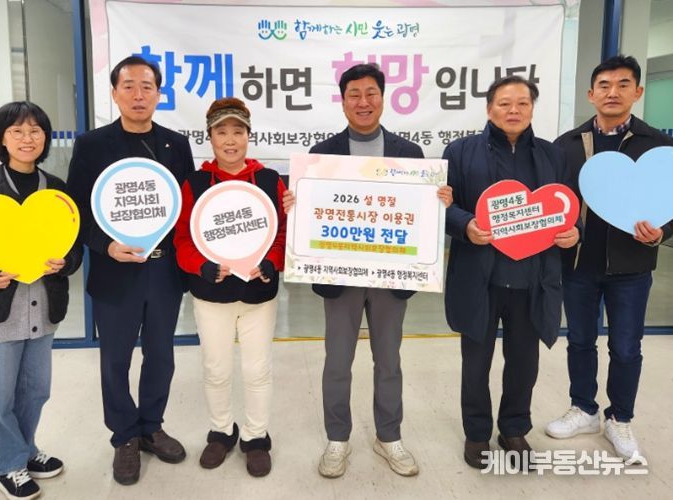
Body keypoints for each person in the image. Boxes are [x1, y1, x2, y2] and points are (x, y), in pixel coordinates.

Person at [283, 63, 452, 478]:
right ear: (343, 101)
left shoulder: (409, 154)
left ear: (383, 97)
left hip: (392, 276)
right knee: (337, 361)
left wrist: (439, 202)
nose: (363, 102)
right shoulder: (322, 153)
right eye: (354, 94)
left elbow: (420, 215)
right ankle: (337, 438)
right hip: (339, 275)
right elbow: (311, 209)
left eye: (371, 93)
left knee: (389, 360)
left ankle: (388, 436)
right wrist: (295, 202)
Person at [66, 56, 195, 485]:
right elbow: (77, 211)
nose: (138, 95)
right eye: (129, 87)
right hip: (115, 270)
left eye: (147, 87)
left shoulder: (177, 144)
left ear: (159, 94)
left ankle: (151, 426)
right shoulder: (92, 145)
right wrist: (106, 245)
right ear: (115, 93)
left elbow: (188, 207)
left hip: (164, 273)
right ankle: (124, 435)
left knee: (161, 354)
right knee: (115, 358)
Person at [443, 75, 579, 470]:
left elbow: (569, 207)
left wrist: (574, 233)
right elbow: (443, 205)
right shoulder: (460, 151)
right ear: (489, 109)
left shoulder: (553, 155)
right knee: (476, 362)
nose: (514, 110)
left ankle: (514, 428)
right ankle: (477, 433)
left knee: (524, 362)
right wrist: (465, 224)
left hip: (532, 279)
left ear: (533, 108)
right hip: (479, 277)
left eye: (522, 103)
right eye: (504, 103)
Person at [545, 55, 673, 460]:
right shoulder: (567, 145)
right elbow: (555, 201)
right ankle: (584, 408)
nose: (612, 92)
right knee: (580, 341)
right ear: (591, 94)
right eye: (604, 85)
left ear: (638, 91)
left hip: (631, 267)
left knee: (626, 346)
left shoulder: (659, 146)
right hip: (578, 264)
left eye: (623, 84)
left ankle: (621, 418)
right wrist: (562, 232)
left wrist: (662, 232)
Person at [0, 101, 82, 499]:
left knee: (35, 390)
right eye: (16, 131)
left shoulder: (56, 189)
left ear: (45, 138)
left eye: (35, 130)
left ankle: (27, 449)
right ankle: (9, 466)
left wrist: (66, 262)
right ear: (1, 138)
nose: (27, 138)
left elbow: (74, 246)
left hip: (43, 309)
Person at [173, 97, 286, 477]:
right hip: (212, 295)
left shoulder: (269, 181)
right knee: (216, 368)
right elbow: (182, 238)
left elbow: (282, 231)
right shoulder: (195, 183)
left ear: (248, 136)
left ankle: (256, 437)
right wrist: (201, 266)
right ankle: (221, 431)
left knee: (257, 369)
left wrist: (272, 261)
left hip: (258, 295)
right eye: (221, 132)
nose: (230, 139)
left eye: (238, 131)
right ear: (210, 137)